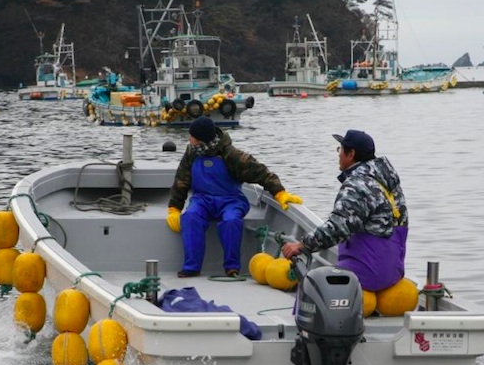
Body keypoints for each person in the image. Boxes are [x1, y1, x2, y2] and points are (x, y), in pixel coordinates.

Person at [166, 116, 302, 278]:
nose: (189, 139)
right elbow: (181, 181)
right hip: (202, 199)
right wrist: (175, 208)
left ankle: (232, 267)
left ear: (202, 139)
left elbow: (262, 173)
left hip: (230, 199)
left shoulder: (232, 155)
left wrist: (279, 193)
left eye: (192, 136)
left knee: (231, 221)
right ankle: (191, 267)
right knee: (190, 217)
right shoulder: (191, 153)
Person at [281, 129, 408, 292]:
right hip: (393, 272)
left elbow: (337, 228)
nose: (338, 154)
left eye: (340, 150)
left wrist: (302, 245)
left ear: (351, 154)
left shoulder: (357, 185)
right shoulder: (388, 183)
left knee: (311, 285)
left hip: (367, 271)